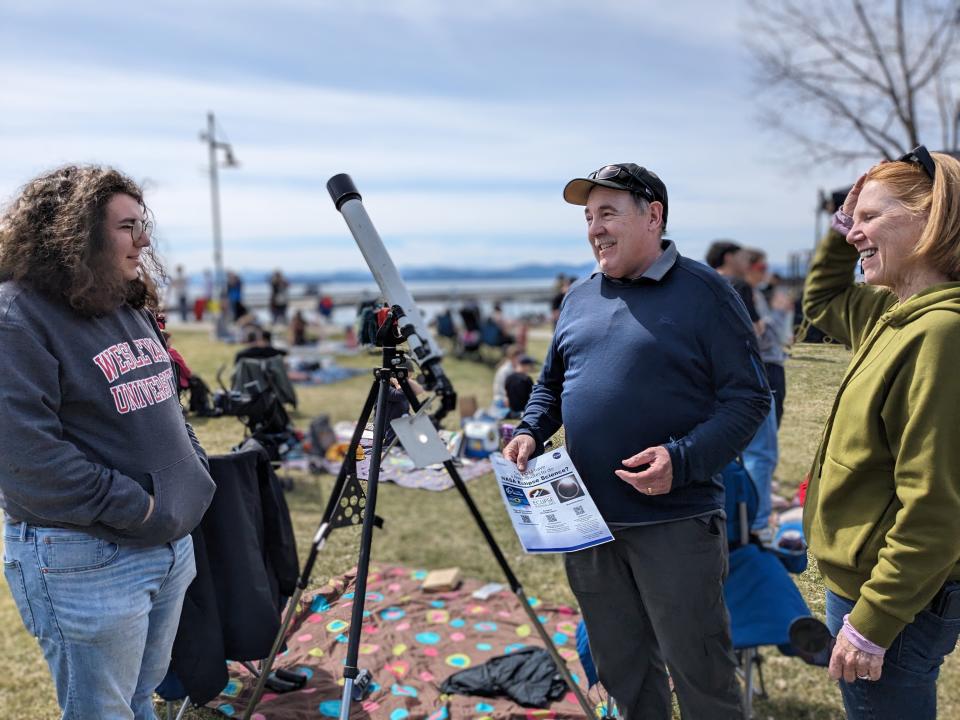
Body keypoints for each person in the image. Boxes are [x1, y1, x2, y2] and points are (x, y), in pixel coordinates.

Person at [503, 163, 770, 719]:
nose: (595, 228)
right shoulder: (579, 296)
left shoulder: (707, 292)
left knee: (701, 674)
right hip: (586, 523)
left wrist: (683, 458)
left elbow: (749, 399)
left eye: (608, 213)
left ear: (654, 216)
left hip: (674, 522)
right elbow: (551, 384)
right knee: (622, 669)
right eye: (588, 217)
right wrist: (530, 429)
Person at [0, 164, 216, 719]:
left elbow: (164, 397)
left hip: (167, 546)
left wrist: (190, 474)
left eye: (142, 224)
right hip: (87, 559)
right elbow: (26, 459)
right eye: (127, 226)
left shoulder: (123, 300)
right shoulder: (16, 318)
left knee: (140, 701)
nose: (144, 239)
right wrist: (139, 506)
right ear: (73, 234)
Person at [802, 146, 960, 719]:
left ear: (931, 216)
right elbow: (821, 300)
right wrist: (842, 225)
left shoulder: (941, 333)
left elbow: (937, 508)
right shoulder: (890, 311)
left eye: (870, 217)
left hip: (895, 597)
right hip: (869, 583)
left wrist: (873, 622)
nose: (853, 234)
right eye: (853, 219)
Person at [708, 240, 777, 538]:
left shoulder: (697, 282)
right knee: (760, 454)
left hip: (710, 382)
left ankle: (731, 516)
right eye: (740, 256)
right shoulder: (736, 283)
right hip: (745, 378)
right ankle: (758, 522)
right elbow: (753, 328)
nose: (744, 262)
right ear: (728, 257)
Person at [745, 249, 794, 427]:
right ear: (748, 268)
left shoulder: (755, 293)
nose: (765, 271)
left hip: (768, 363)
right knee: (769, 424)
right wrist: (780, 313)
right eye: (761, 266)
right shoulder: (748, 295)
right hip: (766, 365)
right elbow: (762, 337)